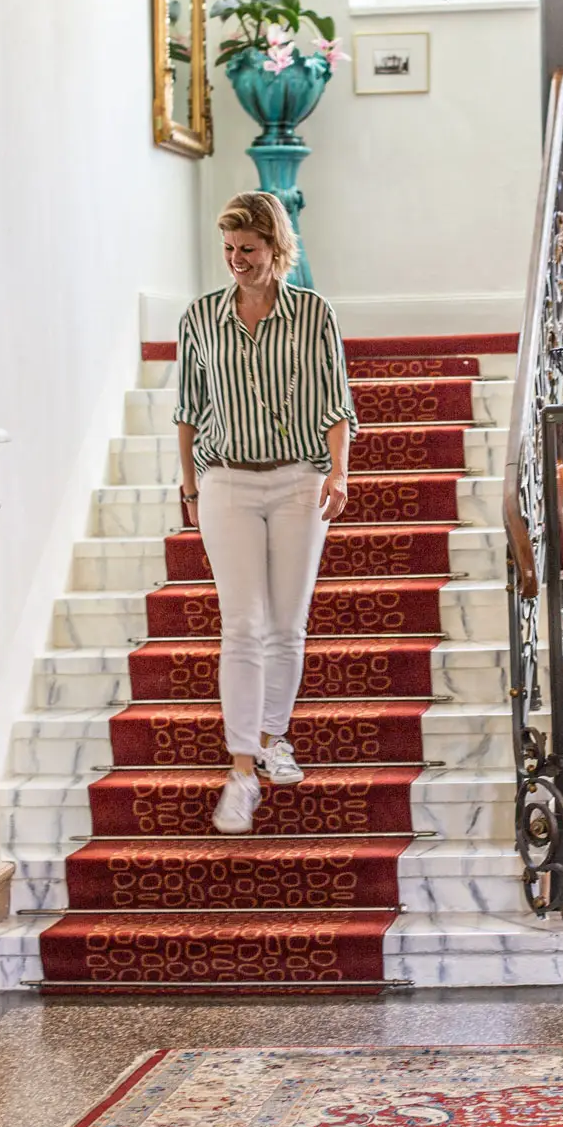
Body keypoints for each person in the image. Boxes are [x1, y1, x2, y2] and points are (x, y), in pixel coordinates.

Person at [175, 191, 355, 834]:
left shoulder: (313, 315)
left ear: (276, 249)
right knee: (243, 624)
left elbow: (336, 400)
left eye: (247, 250)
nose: (236, 262)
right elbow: (188, 408)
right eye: (227, 250)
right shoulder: (200, 318)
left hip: (299, 481)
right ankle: (242, 771)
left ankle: (275, 736)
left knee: (287, 624)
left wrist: (338, 471)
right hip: (225, 481)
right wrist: (189, 485)